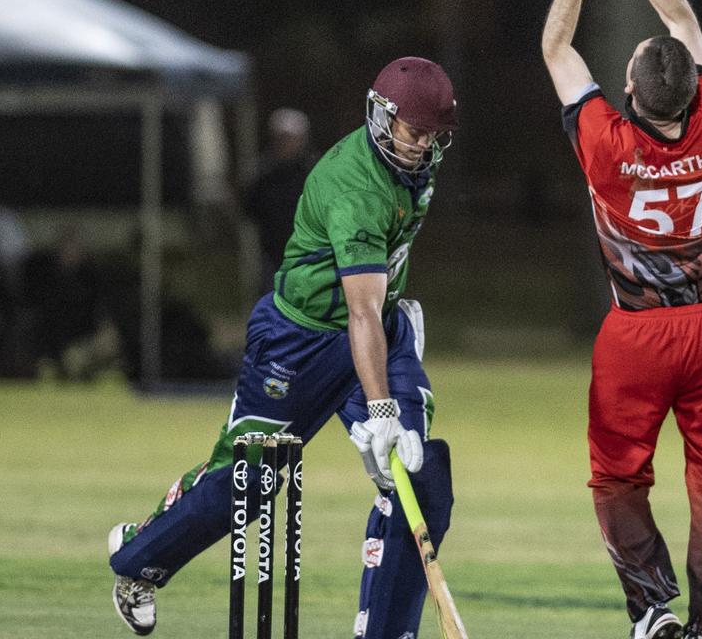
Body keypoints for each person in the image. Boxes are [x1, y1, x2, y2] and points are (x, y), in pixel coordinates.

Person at [107, 57, 461, 638]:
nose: (421, 146)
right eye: (412, 132)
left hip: (377, 329)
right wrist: (379, 408)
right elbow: (360, 309)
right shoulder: (354, 186)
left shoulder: (415, 166)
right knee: (246, 483)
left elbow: (376, 294)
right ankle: (139, 561)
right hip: (298, 342)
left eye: (432, 136)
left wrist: (401, 319)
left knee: (418, 476)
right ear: (381, 118)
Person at [542, 0, 702, 638]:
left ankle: (652, 608)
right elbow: (682, 20)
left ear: (627, 87)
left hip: (637, 333)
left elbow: (555, 47)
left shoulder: (605, 141)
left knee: (618, 476)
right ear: (696, 88)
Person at [245, 107, 317, 288]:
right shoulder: (263, 173)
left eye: (291, 139)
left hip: (308, 251)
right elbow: (249, 209)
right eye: (282, 139)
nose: (287, 144)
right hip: (272, 253)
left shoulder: (314, 173)